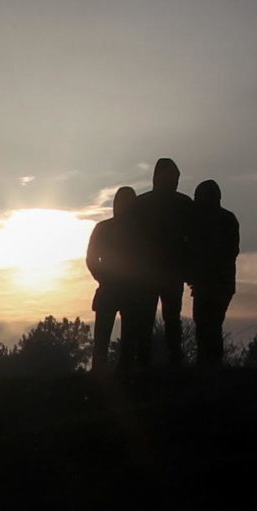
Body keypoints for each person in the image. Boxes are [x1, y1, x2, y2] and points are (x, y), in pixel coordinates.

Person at [141, 158, 197, 366]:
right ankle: (149, 361)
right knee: (150, 318)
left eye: (176, 178)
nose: (175, 181)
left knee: (170, 318)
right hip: (152, 272)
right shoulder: (181, 204)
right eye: (172, 177)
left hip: (167, 272)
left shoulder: (144, 204)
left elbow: (193, 239)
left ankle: (172, 359)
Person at [84, 186, 141, 376]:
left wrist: (104, 278)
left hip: (120, 288)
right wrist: (105, 278)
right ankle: (104, 371)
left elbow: (91, 259)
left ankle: (114, 371)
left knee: (123, 336)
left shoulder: (107, 228)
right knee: (104, 336)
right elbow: (91, 259)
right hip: (116, 288)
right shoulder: (107, 228)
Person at [186, 179, 241, 369]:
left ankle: (209, 366)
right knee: (209, 326)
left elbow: (226, 252)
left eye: (197, 197)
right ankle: (210, 366)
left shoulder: (209, 222)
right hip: (217, 283)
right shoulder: (227, 219)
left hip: (213, 283)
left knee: (207, 326)